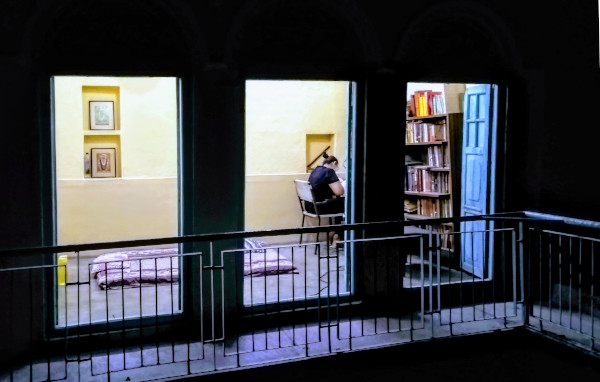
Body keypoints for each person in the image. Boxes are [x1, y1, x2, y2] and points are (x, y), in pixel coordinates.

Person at [307, 154, 345, 248]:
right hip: (320, 207)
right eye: (337, 166)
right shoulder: (329, 171)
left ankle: (333, 233)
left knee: (338, 204)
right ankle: (337, 236)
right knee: (345, 204)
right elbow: (339, 191)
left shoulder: (315, 170)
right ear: (334, 163)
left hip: (309, 206)